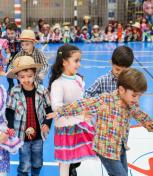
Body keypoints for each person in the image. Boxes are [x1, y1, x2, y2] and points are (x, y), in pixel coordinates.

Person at [47, 68, 153, 176]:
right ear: (122, 90)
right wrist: (61, 111)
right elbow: (83, 104)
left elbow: (142, 116)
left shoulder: (132, 104)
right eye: (134, 95)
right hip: (106, 150)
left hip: (120, 146)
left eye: (139, 96)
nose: (137, 99)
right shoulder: (106, 100)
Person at [49, 45, 96, 176]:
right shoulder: (58, 84)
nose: (79, 64)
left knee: (77, 158)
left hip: (80, 123)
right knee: (65, 163)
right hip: (66, 127)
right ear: (64, 62)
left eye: (79, 60)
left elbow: (81, 100)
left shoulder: (79, 78)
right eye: (76, 61)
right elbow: (57, 108)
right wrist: (79, 113)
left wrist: (86, 110)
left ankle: (72, 170)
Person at [6, 56, 53, 176]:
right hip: (22, 135)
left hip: (38, 135)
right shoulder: (14, 91)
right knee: (25, 162)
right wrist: (10, 126)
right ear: (17, 77)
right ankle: (23, 173)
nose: (26, 79)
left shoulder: (43, 91)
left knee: (37, 161)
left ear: (35, 74)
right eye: (22, 77)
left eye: (30, 76)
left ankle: (36, 173)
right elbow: (9, 111)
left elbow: (49, 109)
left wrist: (47, 124)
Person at [4, 22, 21, 92]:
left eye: (12, 33)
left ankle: (20, 85)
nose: (10, 35)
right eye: (8, 34)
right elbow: (7, 50)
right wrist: (7, 56)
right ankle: (11, 85)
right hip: (11, 57)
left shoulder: (20, 40)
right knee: (8, 72)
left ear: (16, 32)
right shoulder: (6, 41)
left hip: (19, 58)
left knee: (19, 72)